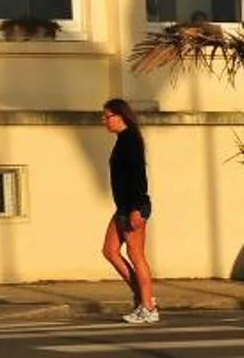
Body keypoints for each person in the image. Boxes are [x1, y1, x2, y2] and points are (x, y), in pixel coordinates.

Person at [101, 98, 156, 325]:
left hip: (133, 206)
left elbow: (138, 178)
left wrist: (136, 209)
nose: (104, 121)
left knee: (136, 256)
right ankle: (142, 297)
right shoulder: (122, 140)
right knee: (110, 251)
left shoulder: (130, 140)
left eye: (107, 116)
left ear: (120, 116)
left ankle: (149, 307)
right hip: (123, 206)